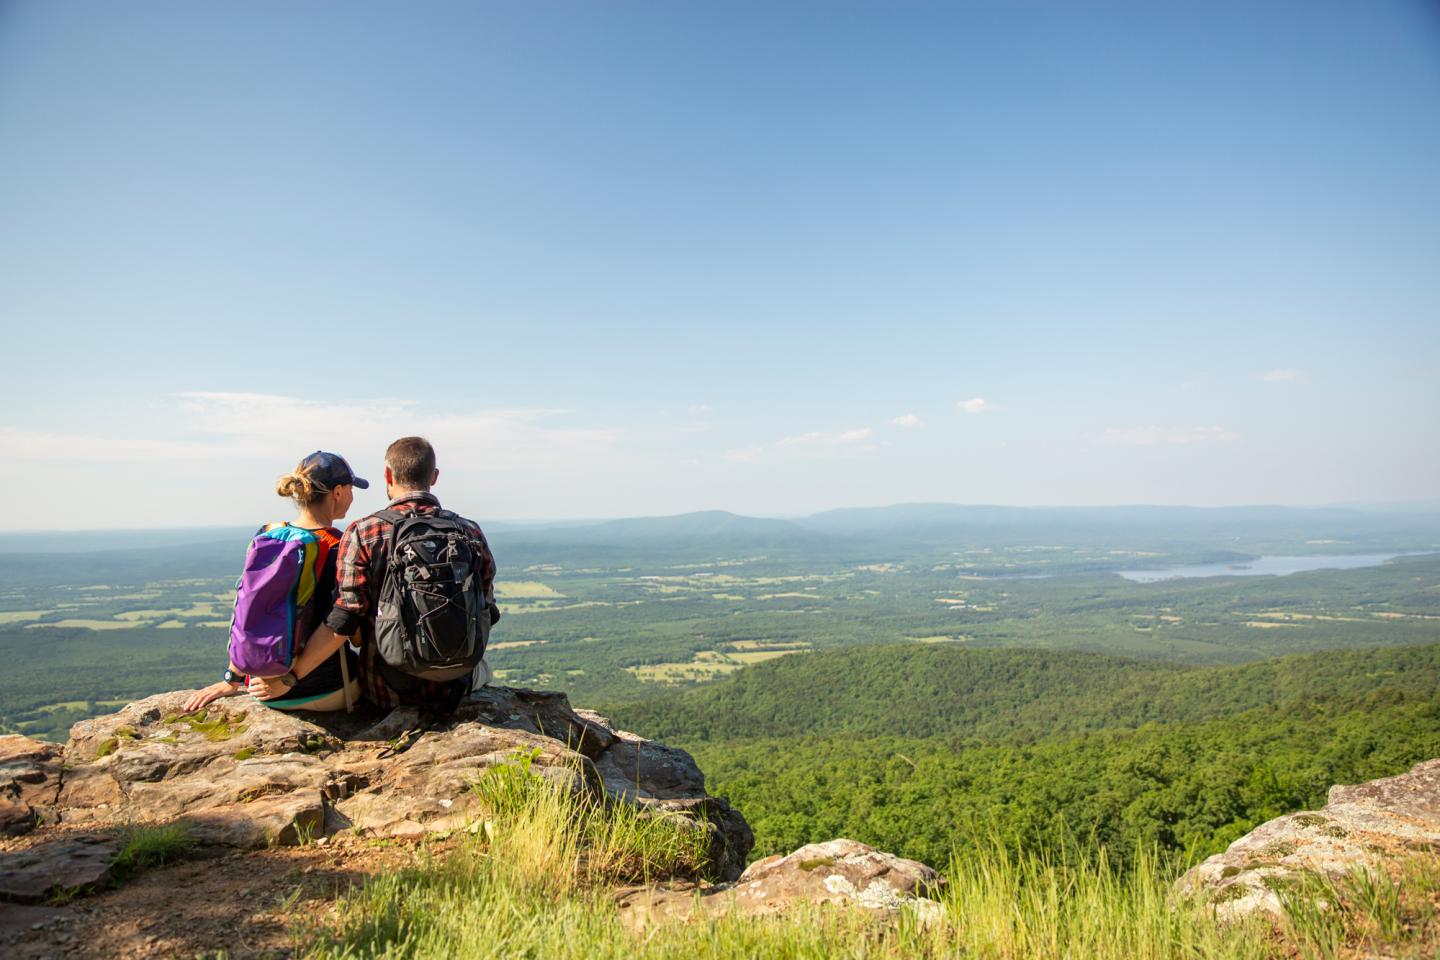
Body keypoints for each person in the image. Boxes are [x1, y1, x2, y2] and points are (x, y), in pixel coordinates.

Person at [250, 436, 497, 714]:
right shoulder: (469, 531)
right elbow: (489, 609)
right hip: (456, 685)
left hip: (385, 691)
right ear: (435, 477)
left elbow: (344, 618)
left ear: (388, 475)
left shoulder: (364, 532)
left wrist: (290, 678)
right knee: (485, 669)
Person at [183, 452, 367, 713]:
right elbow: (344, 628)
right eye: (350, 488)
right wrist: (288, 680)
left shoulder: (268, 534)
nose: (352, 496)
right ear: (337, 492)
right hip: (324, 690)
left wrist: (233, 679)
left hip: (258, 688)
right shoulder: (339, 545)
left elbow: (251, 609)